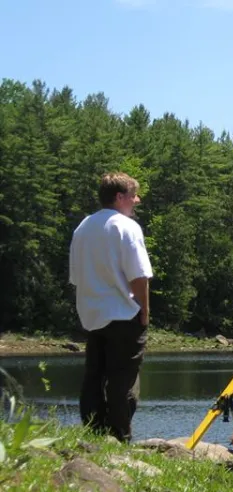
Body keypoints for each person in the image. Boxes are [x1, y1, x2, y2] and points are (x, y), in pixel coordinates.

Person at [69, 172, 153, 442]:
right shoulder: (126, 227)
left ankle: (94, 434)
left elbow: (76, 277)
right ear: (119, 197)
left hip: (92, 314)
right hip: (123, 313)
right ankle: (120, 436)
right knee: (123, 380)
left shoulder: (83, 227)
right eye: (133, 196)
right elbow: (139, 276)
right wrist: (144, 311)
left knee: (94, 377)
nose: (137, 201)